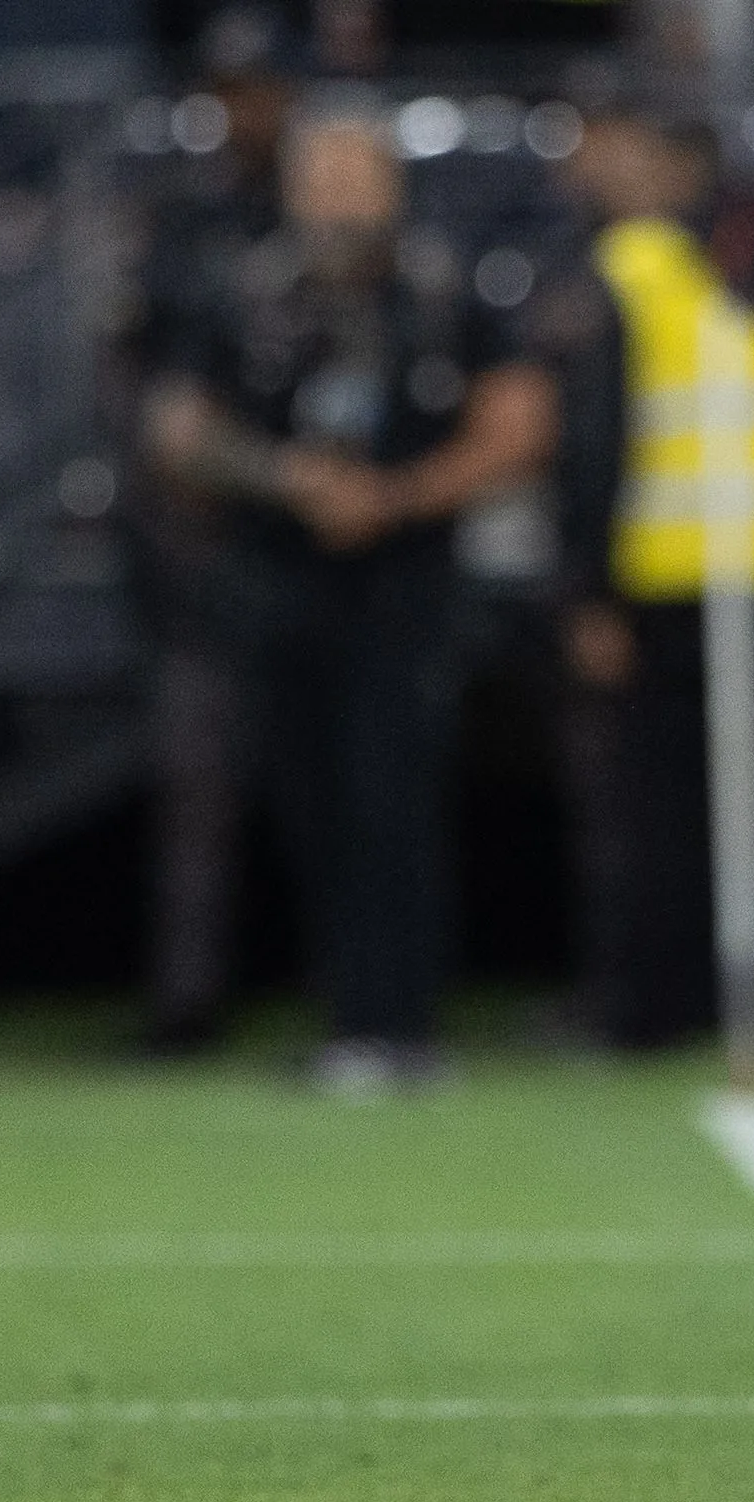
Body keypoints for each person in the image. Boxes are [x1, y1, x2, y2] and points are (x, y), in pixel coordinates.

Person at [141, 98, 559, 1093]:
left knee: (395, 797)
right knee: (309, 799)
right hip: (281, 581)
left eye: (351, 177)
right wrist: (287, 479)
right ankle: (346, 1016)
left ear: (391, 184)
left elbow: (519, 423)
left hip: (404, 585)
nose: (334, 200)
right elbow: (178, 429)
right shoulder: (245, 291)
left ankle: (402, 1019)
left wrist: (398, 496)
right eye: (317, 178)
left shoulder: (443, 293)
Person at [550, 106, 754, 1051]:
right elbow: (593, 441)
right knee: (655, 817)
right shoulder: (630, 270)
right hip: (663, 581)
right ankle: (654, 1006)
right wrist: (587, 590)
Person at [121, 4, 301, 1053]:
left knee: (329, 776)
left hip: (315, 533)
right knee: (196, 777)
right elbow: (147, 380)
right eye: (227, 92)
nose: (243, 111)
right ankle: (186, 1001)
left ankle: (355, 994)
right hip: (203, 540)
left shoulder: (326, 203)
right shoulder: (183, 218)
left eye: (258, 89)